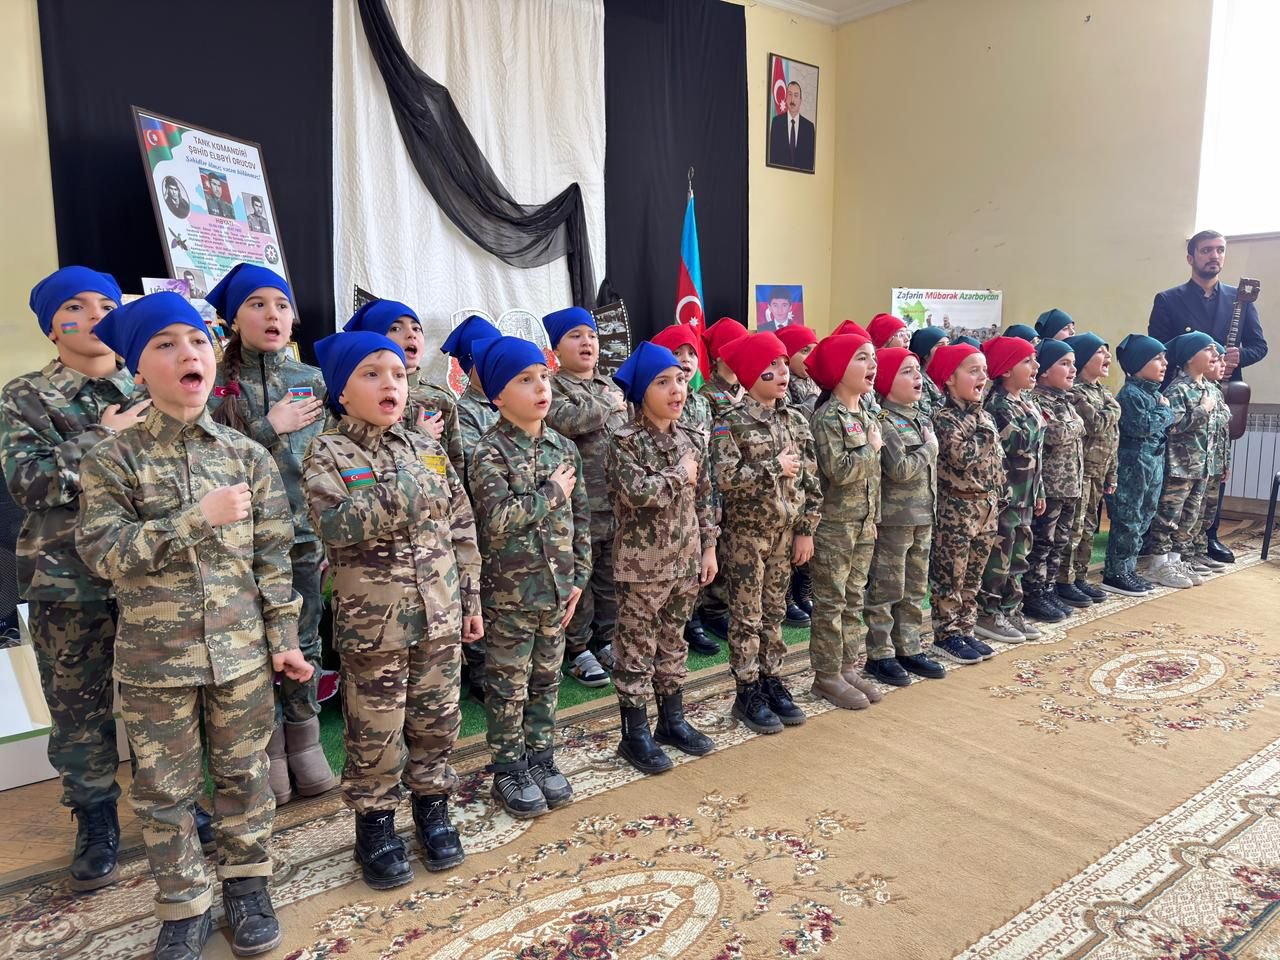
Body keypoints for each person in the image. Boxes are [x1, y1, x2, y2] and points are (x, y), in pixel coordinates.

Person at [77, 292, 310, 960]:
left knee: (244, 775)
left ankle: (247, 885)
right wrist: (195, 519)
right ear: (138, 369)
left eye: (199, 341)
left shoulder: (247, 456)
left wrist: (283, 640)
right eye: (166, 344)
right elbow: (104, 554)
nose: (189, 354)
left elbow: (274, 560)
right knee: (164, 791)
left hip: (240, 655)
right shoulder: (112, 459)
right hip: (156, 662)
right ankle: (183, 905)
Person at [303, 331, 480, 888]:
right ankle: (375, 824)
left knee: (437, 721)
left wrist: (470, 597)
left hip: (440, 614)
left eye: (398, 375)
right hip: (375, 625)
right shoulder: (327, 452)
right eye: (372, 374)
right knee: (375, 730)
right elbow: (336, 525)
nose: (391, 385)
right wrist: (406, 486)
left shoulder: (426, 448)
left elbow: (461, 527)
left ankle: (432, 808)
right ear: (342, 391)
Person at [0, 267, 146, 892]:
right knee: (78, 708)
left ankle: (172, 805)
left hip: (147, 575)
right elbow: (30, 485)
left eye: (107, 305)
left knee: (159, 699)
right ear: (52, 326)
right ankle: (95, 820)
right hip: (68, 579)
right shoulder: (26, 396)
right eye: (76, 307)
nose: (94, 315)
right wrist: (102, 437)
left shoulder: (148, 381)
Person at [206, 264, 337, 806]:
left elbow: (328, 462)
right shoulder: (211, 379)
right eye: (257, 304)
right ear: (234, 318)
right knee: (249, 648)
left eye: (281, 305)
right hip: (234, 545)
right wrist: (268, 426)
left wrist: (328, 532)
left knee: (303, 639)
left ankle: (305, 739)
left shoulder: (313, 379)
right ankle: (267, 750)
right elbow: (207, 461)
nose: (272, 315)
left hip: (301, 536)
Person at [467, 335, 590, 819]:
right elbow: (497, 519)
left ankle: (541, 757)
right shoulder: (488, 452)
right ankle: (509, 767)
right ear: (498, 395)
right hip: (510, 596)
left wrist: (579, 576)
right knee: (508, 685)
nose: (541, 387)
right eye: (524, 380)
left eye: (543, 376)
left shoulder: (563, 447)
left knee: (545, 679)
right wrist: (551, 493)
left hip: (557, 590)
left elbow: (581, 519)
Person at [606, 343, 718, 774]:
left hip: (685, 560)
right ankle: (633, 734)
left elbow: (705, 497)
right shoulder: (624, 441)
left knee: (674, 641)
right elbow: (638, 492)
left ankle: (672, 720)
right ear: (641, 391)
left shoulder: (692, 438)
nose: (677, 389)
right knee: (636, 648)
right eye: (663, 382)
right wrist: (678, 474)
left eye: (680, 380)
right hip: (642, 566)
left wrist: (708, 547)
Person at [711, 332, 820, 733]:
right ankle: (747, 690)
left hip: (784, 534)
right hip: (746, 537)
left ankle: (771, 678)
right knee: (747, 615)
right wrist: (773, 467)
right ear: (751, 372)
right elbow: (724, 478)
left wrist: (806, 529)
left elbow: (810, 479)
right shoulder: (730, 422)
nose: (782, 372)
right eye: (770, 365)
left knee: (774, 611)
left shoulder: (795, 420)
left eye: (784, 364)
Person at [1149, 229, 1268, 564]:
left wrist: (1239, 357)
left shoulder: (1239, 300)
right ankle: (1164, 541)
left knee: (1214, 468)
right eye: (1206, 250)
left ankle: (1206, 536)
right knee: (1179, 470)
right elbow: (1159, 348)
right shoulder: (1168, 300)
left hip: (1224, 392)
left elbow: (1259, 345)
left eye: (1219, 250)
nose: (1214, 256)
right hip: (1185, 393)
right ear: (1191, 257)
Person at [543, 306, 627, 689]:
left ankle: (606, 641)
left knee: (611, 576)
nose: (587, 342)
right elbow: (567, 422)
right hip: (578, 506)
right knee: (581, 578)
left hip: (616, 502)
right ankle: (577, 649)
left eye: (591, 335)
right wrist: (607, 404)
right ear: (556, 348)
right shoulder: (552, 387)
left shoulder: (609, 384)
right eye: (575, 336)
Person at [803, 333, 883, 710]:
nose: (872, 365)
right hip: (834, 525)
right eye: (862, 358)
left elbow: (873, 479)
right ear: (839, 368)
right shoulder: (827, 418)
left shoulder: (865, 412)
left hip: (862, 523)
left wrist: (873, 517)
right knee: (831, 602)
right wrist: (870, 447)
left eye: (872, 358)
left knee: (854, 598)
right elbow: (839, 471)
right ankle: (826, 675)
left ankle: (847, 666)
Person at [863, 347, 946, 685]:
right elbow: (898, 469)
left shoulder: (921, 417)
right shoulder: (884, 421)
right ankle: (880, 654)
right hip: (895, 520)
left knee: (914, 588)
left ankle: (908, 646)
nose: (917, 378)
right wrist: (930, 449)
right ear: (887, 380)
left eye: (916, 370)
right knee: (887, 589)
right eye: (906, 371)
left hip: (922, 515)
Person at [927, 343, 1005, 664]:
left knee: (973, 575)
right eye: (973, 371)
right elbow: (962, 457)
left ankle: (965, 628)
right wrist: (985, 432)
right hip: (957, 510)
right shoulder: (944, 418)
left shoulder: (983, 415)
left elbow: (995, 462)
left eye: (984, 371)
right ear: (949, 378)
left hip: (986, 507)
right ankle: (946, 634)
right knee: (951, 576)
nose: (982, 377)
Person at [651, 322, 720, 657]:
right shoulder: (651, 405)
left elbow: (708, 451)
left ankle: (693, 619)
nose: (686, 359)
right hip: (666, 496)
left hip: (697, 491)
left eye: (691, 353)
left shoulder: (701, 403)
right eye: (677, 353)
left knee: (698, 560)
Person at [343, 299, 464, 478]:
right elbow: (345, 454)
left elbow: (455, 466)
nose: (411, 335)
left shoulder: (440, 399)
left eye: (416, 328)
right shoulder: (356, 394)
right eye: (395, 328)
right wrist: (420, 437)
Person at [975, 336, 1046, 643]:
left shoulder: (1026, 402)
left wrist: (1039, 490)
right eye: (1026, 361)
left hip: (1025, 494)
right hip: (1005, 496)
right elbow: (1016, 444)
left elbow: (1037, 453)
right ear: (1005, 370)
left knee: (1019, 555)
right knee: (999, 557)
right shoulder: (996, 406)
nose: (1036, 366)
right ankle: (988, 612)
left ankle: (1011, 607)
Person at [1141, 332, 1218, 589]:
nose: (1215, 355)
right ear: (1190, 357)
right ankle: (1158, 564)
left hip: (1200, 465)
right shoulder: (1178, 389)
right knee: (1168, 517)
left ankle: (1175, 561)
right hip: (1179, 466)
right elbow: (1171, 426)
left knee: (1189, 518)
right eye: (1208, 349)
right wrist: (1202, 410)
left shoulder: (1208, 388)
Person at [1101, 335, 1173, 596]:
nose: (1165, 364)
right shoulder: (1131, 394)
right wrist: (1166, 412)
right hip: (1133, 466)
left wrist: (1162, 412)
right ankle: (1116, 572)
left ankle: (1129, 569)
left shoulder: (1154, 394)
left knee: (1144, 517)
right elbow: (1142, 426)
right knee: (1128, 520)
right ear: (1139, 363)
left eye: (1164, 358)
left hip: (1152, 464)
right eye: (1157, 358)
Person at [695, 316, 749, 641]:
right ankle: (712, 610)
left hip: (746, 483)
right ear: (718, 355)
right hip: (717, 482)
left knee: (735, 548)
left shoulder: (748, 389)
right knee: (717, 542)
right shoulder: (707, 395)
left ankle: (728, 604)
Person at [1024, 339, 1086, 616]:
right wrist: (1077, 424)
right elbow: (1054, 434)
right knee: (1042, 543)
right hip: (1049, 486)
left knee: (1059, 541)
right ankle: (1033, 592)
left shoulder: (1065, 401)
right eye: (1064, 363)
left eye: (1073, 364)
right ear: (1045, 371)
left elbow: (1067, 429)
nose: (1072, 370)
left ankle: (1049, 588)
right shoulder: (1037, 399)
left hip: (1070, 484)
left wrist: (1073, 424)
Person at [1058, 333, 1118, 603]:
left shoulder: (1102, 392)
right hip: (1079, 473)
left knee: (1089, 527)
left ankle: (1079, 576)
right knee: (1074, 528)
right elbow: (1094, 425)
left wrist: (1112, 473)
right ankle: (1064, 580)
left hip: (1099, 471)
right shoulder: (1075, 393)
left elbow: (1112, 436)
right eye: (1100, 352)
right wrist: (1114, 409)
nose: (1107, 357)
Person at [776, 323, 819, 626]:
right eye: (803, 350)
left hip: (808, 471)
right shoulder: (784, 388)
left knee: (805, 539)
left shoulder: (814, 383)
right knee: (787, 544)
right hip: (786, 475)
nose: (810, 356)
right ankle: (788, 597)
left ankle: (803, 592)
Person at [1189, 344, 1231, 574]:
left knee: (1207, 511)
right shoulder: (1196, 390)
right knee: (1193, 511)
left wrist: (1225, 462)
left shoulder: (1216, 390)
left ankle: (1199, 550)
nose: (1222, 365)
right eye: (1216, 361)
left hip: (1214, 461)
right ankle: (1187, 554)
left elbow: (1223, 433)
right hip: (1197, 462)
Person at [441, 314, 504, 467]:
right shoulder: (464, 413)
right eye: (486, 357)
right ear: (469, 367)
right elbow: (479, 466)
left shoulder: (517, 398)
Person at [768, 80, 816, 171]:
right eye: (789, 95)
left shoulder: (809, 128)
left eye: (796, 95)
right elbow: (772, 156)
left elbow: (810, 162)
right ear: (786, 98)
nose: (792, 99)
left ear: (800, 100)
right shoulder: (776, 123)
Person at [778, 324, 820, 417]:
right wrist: (815, 400)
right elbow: (785, 417)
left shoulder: (817, 380)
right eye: (805, 351)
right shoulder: (778, 383)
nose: (812, 357)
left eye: (815, 351)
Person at [908, 325, 949, 420]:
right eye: (940, 345)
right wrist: (950, 400)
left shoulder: (944, 374)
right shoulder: (919, 379)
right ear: (925, 352)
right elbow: (925, 413)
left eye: (948, 344)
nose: (947, 349)